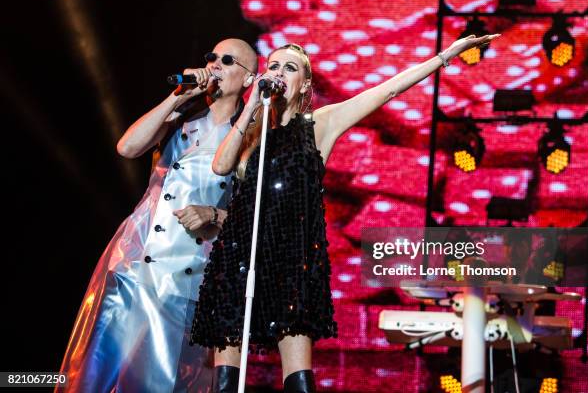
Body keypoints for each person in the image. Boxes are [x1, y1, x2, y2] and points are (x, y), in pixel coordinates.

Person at [190, 34, 501, 392]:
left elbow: (387, 91)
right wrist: (251, 108)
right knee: (227, 379)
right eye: (273, 66)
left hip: (289, 259)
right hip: (238, 257)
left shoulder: (319, 124)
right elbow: (221, 166)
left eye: (289, 68)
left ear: (304, 82)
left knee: (298, 377)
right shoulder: (253, 131)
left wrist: (444, 56)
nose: (278, 73)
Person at [57, 38, 258, 392]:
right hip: (134, 262)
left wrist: (213, 213)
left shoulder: (249, 138)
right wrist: (178, 96)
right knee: (95, 374)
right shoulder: (180, 117)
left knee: (157, 380)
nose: (215, 65)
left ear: (247, 79)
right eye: (212, 57)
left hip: (188, 276)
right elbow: (128, 147)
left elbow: (256, 221)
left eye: (227, 61)